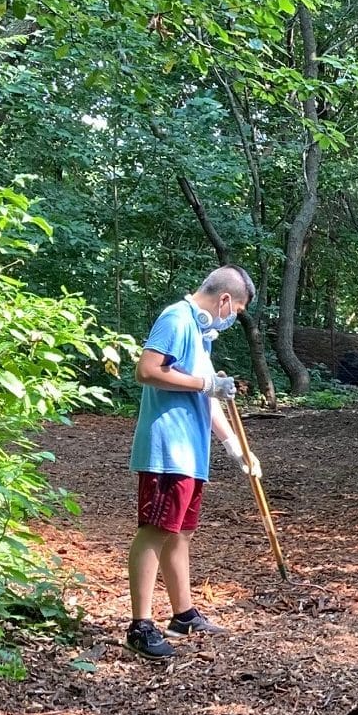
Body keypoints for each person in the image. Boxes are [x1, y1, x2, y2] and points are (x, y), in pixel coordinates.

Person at [125, 265, 261, 658]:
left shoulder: (202, 335)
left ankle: (183, 613)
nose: (233, 317)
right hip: (168, 448)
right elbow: (147, 370)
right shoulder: (176, 318)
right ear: (223, 300)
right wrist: (206, 383)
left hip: (191, 451)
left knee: (180, 532)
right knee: (155, 529)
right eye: (235, 309)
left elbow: (207, 394)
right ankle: (140, 625)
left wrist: (234, 444)